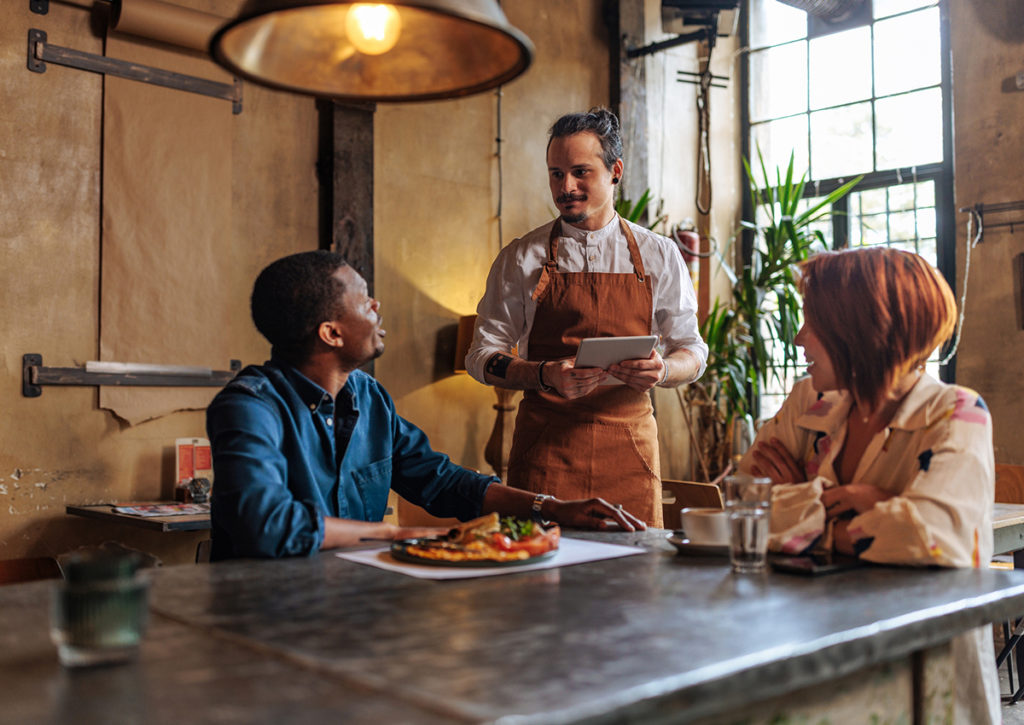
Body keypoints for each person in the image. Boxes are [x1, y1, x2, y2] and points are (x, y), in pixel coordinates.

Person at [206, 251, 645, 562]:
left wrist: (551, 508)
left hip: (353, 607)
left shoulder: (370, 398)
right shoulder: (249, 406)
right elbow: (266, 526)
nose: (376, 305)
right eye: (364, 299)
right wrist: (394, 534)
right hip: (266, 616)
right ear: (331, 334)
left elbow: (442, 481)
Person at [736, 246, 999, 723]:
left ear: (860, 331)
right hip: (818, 644)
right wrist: (860, 507)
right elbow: (742, 501)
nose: (798, 338)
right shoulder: (810, 400)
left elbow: (933, 538)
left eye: (813, 323)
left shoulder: (957, 412)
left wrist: (797, 504)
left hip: (924, 669)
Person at [465, 108, 708, 527]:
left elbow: (693, 350)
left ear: (615, 172)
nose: (566, 187)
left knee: (635, 567)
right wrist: (543, 374)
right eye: (556, 174)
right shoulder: (522, 257)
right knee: (541, 567)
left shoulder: (660, 254)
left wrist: (664, 370)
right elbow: (480, 356)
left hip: (631, 453)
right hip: (545, 454)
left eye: (580, 172)